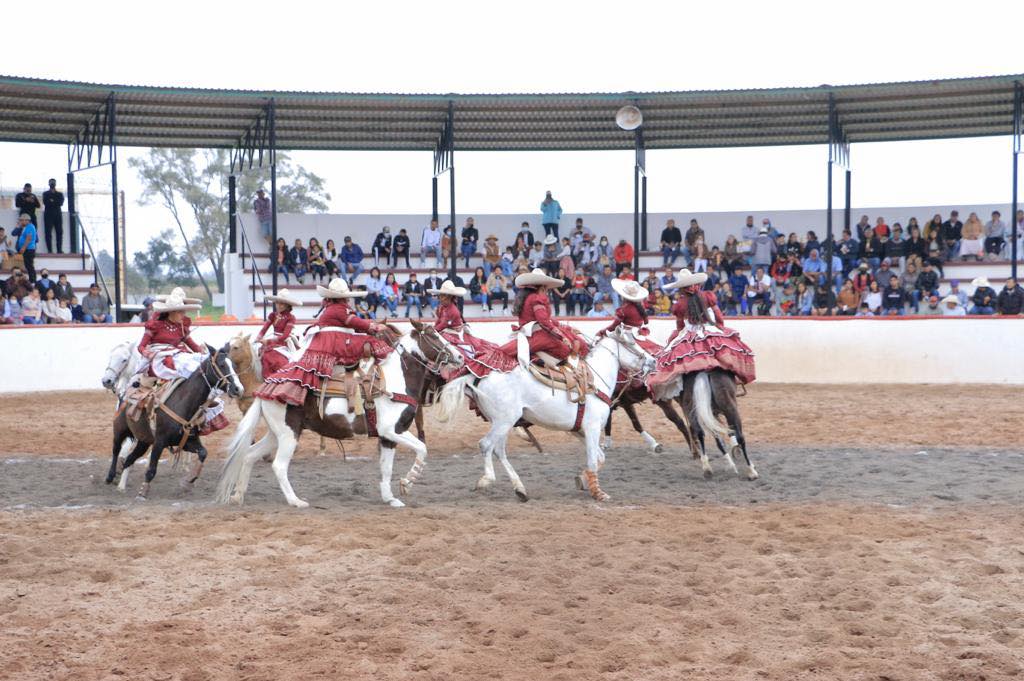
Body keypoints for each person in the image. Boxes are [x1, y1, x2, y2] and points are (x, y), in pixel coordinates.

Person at [256, 278, 394, 406]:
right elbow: (356, 322)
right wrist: (374, 327)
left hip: (322, 340)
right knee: (372, 342)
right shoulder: (340, 308)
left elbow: (354, 324)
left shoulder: (332, 307)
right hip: (331, 340)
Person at [648, 268, 756, 395]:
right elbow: (718, 316)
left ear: (681, 288)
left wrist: (675, 337)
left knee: (669, 355)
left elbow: (680, 326)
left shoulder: (680, 304)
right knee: (726, 351)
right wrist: (720, 329)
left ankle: (678, 389)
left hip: (689, 332)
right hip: (710, 328)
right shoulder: (708, 296)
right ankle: (735, 380)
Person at [498, 268, 586, 365]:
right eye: (546, 288)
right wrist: (561, 337)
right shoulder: (536, 298)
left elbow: (547, 319)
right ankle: (535, 358)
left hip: (529, 333)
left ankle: (535, 357)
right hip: (538, 334)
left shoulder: (527, 297)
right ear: (542, 287)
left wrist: (568, 328)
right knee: (565, 350)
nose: (546, 291)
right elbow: (544, 321)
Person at [429, 279, 510, 376]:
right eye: (440, 296)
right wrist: (433, 329)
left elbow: (443, 325)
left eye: (443, 296)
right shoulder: (442, 307)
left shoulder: (452, 310)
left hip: (455, 333)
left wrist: (431, 331)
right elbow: (439, 321)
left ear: (449, 297)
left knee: (453, 348)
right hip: (447, 330)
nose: (441, 298)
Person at [599, 279, 663, 354]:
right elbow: (646, 321)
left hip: (628, 334)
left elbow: (614, 326)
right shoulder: (641, 306)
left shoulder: (624, 309)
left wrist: (602, 332)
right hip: (638, 332)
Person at [255, 289, 302, 377]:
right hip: (273, 339)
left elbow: (285, 336)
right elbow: (264, 328)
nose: (278, 306)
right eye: (277, 303)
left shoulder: (290, 318)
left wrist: (268, 341)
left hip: (283, 342)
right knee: (260, 353)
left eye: (282, 303)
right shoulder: (273, 315)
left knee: (272, 356)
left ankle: (276, 377)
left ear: (287, 305)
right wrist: (258, 337)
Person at [41, 179, 65, 254]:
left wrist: (52, 201)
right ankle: (50, 250)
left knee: (59, 232)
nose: (52, 184)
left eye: (53, 182)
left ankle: (59, 250)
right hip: (48, 215)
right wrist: (55, 201)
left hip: (58, 215)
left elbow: (60, 203)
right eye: (51, 182)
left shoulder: (60, 194)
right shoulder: (45, 193)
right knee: (48, 233)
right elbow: (45, 202)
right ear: (49, 183)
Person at [14, 215, 38, 283]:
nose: (21, 221)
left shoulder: (30, 227)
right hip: (27, 249)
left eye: (22, 220)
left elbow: (29, 238)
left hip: (29, 249)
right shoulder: (25, 227)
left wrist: (23, 248)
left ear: (27, 220)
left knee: (29, 265)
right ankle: (32, 279)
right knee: (28, 265)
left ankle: (33, 280)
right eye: (20, 220)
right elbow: (13, 233)